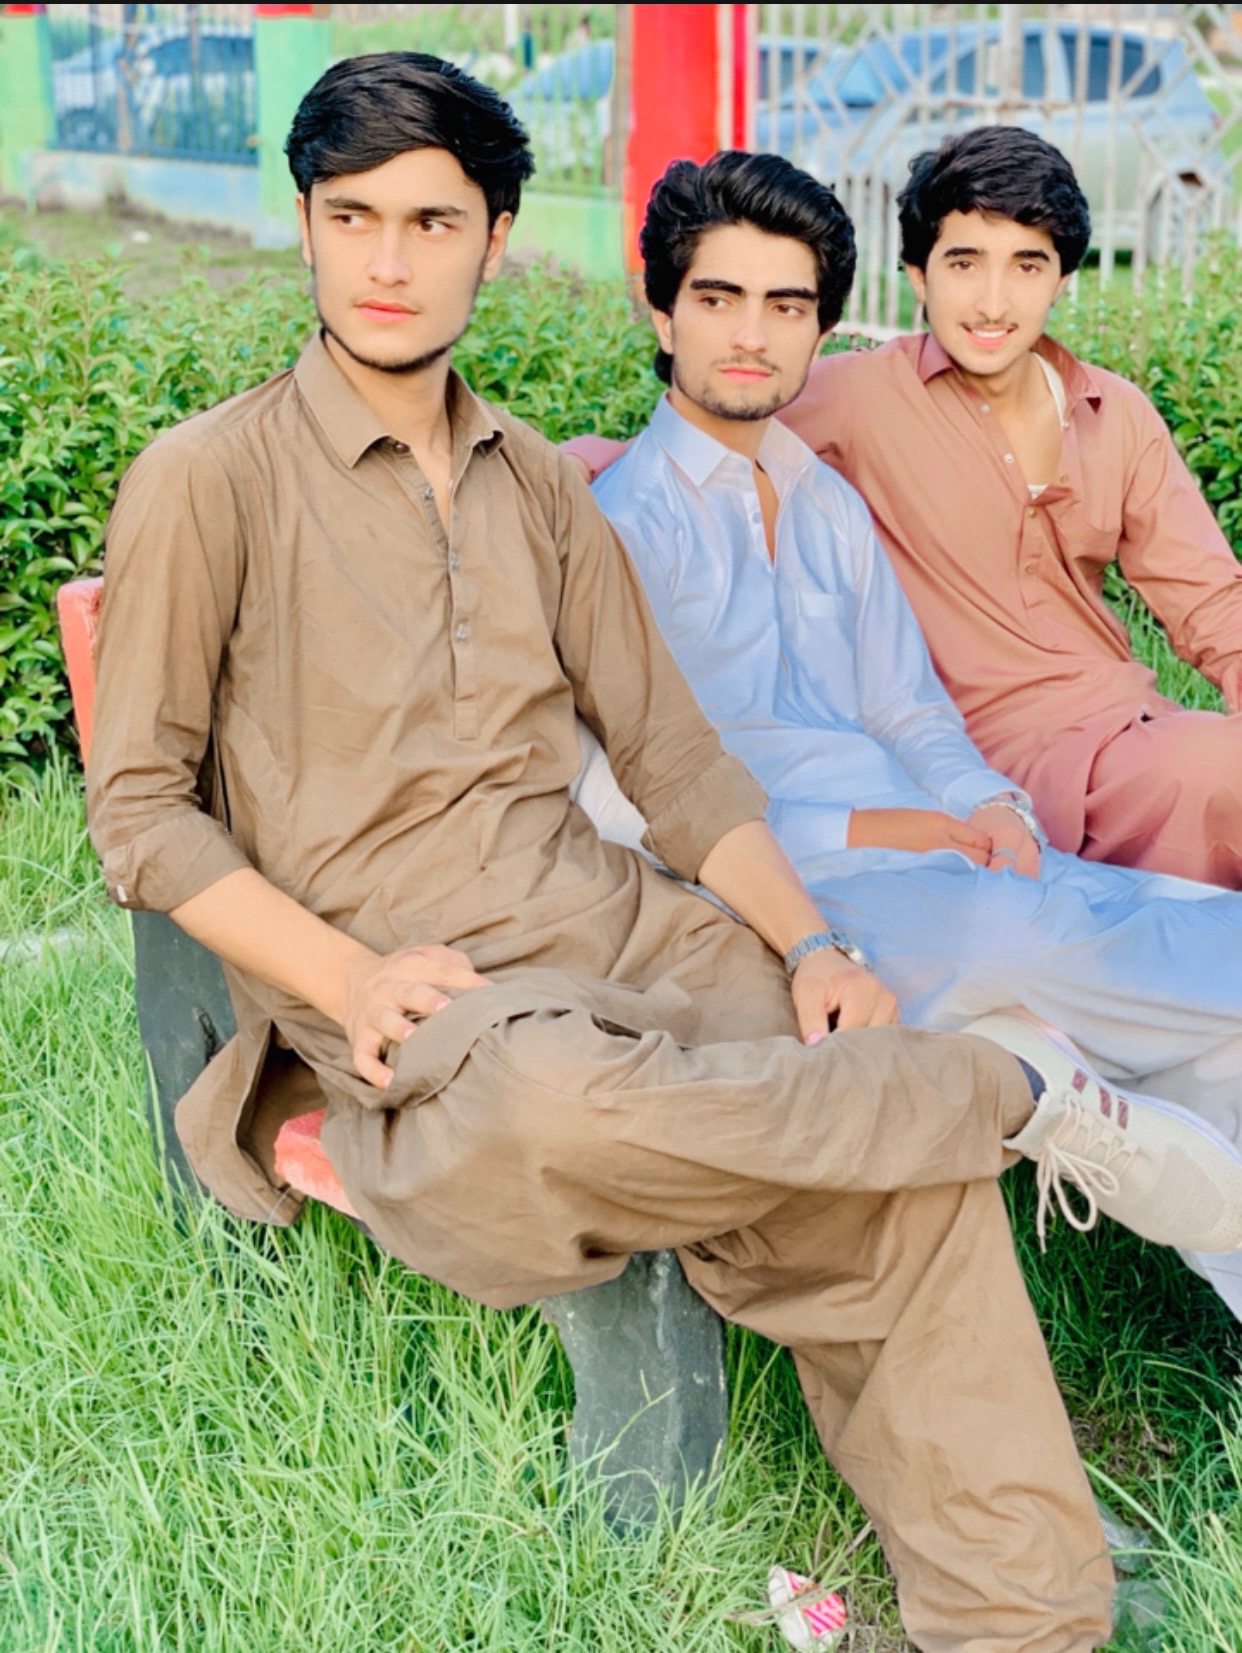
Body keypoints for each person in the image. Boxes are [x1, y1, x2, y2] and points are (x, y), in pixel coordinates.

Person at [84, 54, 1240, 1652]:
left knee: (854, 1083)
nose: (388, 261)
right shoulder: (207, 480)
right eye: (352, 219)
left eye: (432, 222)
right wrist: (341, 981)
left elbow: (676, 763)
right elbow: (141, 811)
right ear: (305, 226)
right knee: (569, 1106)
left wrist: (812, 946)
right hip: (424, 980)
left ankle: (1022, 1611)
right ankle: (1010, 1095)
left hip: (631, 929)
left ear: (496, 238)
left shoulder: (541, 492)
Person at [579, 148, 1242, 1320]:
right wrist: (890, 826)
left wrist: (982, 801)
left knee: (1183, 1013)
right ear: (662, 312)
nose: (753, 336)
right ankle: (1063, 1054)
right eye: (719, 299)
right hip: (801, 882)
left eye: (788, 308)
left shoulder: (830, 504)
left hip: (951, 845)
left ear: (823, 327)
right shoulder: (626, 524)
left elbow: (907, 706)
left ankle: (1088, 1093)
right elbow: (635, 795)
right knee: (1022, 944)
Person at [572, 126, 1242, 889]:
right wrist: (566, 469)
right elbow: (708, 423)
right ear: (918, 276)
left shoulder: (1115, 412)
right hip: (985, 752)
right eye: (964, 263)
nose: (993, 301)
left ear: (1062, 279)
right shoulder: (861, 396)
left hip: (1134, 731)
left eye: (1027, 265)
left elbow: (1211, 600)